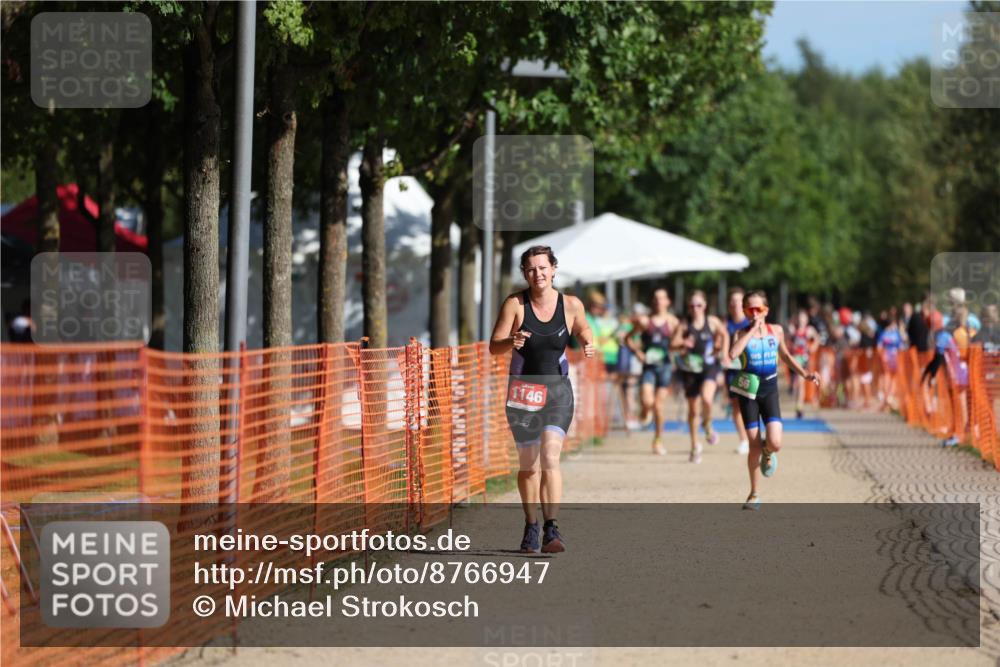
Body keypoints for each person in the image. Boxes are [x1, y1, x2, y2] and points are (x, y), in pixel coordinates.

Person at [490, 245, 594, 554]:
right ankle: (531, 525)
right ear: (524, 273)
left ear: (554, 269)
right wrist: (511, 340)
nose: (538, 274)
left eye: (543, 268)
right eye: (531, 269)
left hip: (558, 391)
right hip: (523, 393)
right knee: (529, 466)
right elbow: (494, 346)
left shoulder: (571, 304)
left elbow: (583, 327)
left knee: (550, 457)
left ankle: (552, 528)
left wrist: (588, 340)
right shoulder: (515, 305)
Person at [728, 291, 820, 510]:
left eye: (758, 309)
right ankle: (754, 494)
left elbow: (786, 356)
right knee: (753, 444)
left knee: (775, 442)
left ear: (766, 310)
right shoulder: (740, 333)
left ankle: (768, 452)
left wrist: (805, 374)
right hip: (748, 392)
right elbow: (732, 354)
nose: (754, 313)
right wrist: (751, 331)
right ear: (744, 311)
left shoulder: (776, 331)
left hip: (769, 389)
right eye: (749, 309)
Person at [670, 290, 729, 463]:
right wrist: (683, 343)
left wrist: (724, 353)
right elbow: (673, 344)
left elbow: (724, 334)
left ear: (705, 306)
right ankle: (695, 446)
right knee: (693, 410)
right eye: (692, 305)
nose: (695, 308)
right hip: (690, 370)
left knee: (707, 399)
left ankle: (708, 424)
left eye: (699, 305)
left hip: (709, 367)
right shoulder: (684, 324)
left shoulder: (712, 322)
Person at [628, 287, 679, 455]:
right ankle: (644, 411)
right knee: (647, 402)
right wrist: (638, 353)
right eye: (656, 298)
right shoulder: (644, 321)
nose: (658, 301)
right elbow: (627, 338)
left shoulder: (673, 322)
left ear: (668, 301)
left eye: (662, 298)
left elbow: (677, 343)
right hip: (648, 367)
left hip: (664, 366)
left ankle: (657, 440)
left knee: (658, 406)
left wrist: (681, 347)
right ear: (653, 302)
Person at [723, 288, 751, 454]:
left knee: (750, 405)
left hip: (749, 370)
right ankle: (743, 440)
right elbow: (722, 345)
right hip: (732, 371)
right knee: (736, 407)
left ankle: (754, 437)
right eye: (732, 301)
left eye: (739, 301)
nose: (735, 304)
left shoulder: (750, 323)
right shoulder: (726, 325)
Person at [788, 309, 818, 419]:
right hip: (793, 358)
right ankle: (792, 387)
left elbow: (817, 339)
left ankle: (799, 407)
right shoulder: (792, 329)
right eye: (799, 318)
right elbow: (786, 340)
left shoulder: (809, 330)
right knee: (795, 382)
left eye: (803, 318)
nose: (801, 320)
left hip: (803, 358)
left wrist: (813, 347)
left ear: (807, 319)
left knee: (800, 382)